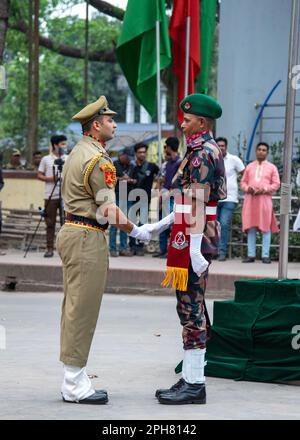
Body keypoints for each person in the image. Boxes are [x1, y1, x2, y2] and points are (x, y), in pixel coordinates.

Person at [56, 95, 150, 405]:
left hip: (75, 231)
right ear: (96, 125)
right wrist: (136, 230)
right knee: (82, 310)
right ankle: (73, 383)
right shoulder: (99, 159)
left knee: (75, 306)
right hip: (87, 235)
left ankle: (76, 376)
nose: (115, 124)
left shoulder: (78, 152)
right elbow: (108, 209)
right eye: (110, 120)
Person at [142, 93, 226, 405]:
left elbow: (199, 203)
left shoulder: (202, 152)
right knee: (193, 308)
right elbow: (187, 203)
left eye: (188, 119)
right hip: (196, 233)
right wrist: (156, 226)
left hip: (198, 237)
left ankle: (195, 385)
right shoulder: (199, 149)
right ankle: (192, 377)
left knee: (191, 310)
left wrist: (192, 250)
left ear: (202, 122)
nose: (182, 122)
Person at [241, 142, 280, 264]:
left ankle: (265, 255)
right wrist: (248, 189)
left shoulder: (272, 167)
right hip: (250, 200)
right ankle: (251, 255)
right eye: (259, 149)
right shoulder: (249, 167)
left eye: (264, 150)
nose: (261, 151)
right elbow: (243, 182)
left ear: (267, 152)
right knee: (250, 227)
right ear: (256, 151)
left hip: (264, 200)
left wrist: (265, 189)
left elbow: (276, 184)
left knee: (266, 228)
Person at [37, 135, 68, 258]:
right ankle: (49, 248)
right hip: (50, 194)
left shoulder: (68, 158)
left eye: (65, 144)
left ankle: (65, 250)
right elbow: (39, 175)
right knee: (50, 223)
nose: (64, 146)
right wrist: (51, 179)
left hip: (66, 195)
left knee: (66, 224)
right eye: (62, 144)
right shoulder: (46, 159)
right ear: (55, 145)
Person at [216, 137, 245, 261]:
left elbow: (245, 174)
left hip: (230, 198)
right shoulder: (212, 159)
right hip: (214, 198)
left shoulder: (234, 160)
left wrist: (242, 187)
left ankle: (222, 251)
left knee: (224, 223)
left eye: (223, 145)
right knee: (213, 225)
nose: (221, 147)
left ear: (226, 147)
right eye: (219, 145)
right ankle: (213, 250)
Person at [152, 136, 181, 258]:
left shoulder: (181, 164)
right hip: (164, 196)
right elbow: (160, 179)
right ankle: (163, 250)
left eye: (166, 147)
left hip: (175, 197)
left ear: (169, 147)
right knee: (162, 224)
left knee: (172, 225)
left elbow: (180, 183)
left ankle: (171, 251)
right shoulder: (165, 164)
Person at [129, 143, 159, 256]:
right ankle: (132, 246)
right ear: (136, 153)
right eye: (140, 152)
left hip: (145, 199)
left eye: (144, 152)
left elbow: (161, 176)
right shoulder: (131, 166)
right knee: (131, 223)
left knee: (143, 224)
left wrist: (158, 188)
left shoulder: (151, 166)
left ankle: (140, 247)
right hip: (130, 198)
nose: (142, 154)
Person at [109, 148, 136, 257]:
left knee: (125, 223)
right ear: (122, 155)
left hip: (128, 196)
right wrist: (121, 179)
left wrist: (131, 180)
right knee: (115, 223)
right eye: (128, 157)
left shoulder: (131, 166)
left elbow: (135, 179)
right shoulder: (113, 164)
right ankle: (112, 248)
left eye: (130, 158)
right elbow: (110, 179)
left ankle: (123, 248)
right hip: (116, 197)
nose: (129, 159)